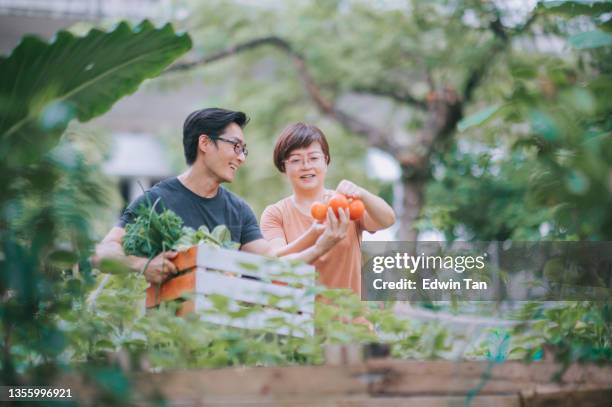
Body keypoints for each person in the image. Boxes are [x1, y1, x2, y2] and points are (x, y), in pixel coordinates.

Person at [94, 108, 349, 284]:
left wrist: (321, 246)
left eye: (244, 149)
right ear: (205, 143)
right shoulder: (157, 200)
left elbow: (273, 265)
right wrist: (142, 265)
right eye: (235, 146)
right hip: (169, 341)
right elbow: (102, 253)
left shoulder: (238, 210)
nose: (241, 157)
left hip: (225, 344)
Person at [260, 123, 396, 296]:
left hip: (351, 319)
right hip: (299, 319)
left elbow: (388, 219)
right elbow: (276, 263)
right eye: (295, 160)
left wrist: (361, 193)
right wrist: (316, 238)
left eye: (314, 158)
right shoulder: (275, 214)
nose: (306, 166)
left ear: (326, 160)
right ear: (283, 167)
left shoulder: (345, 204)